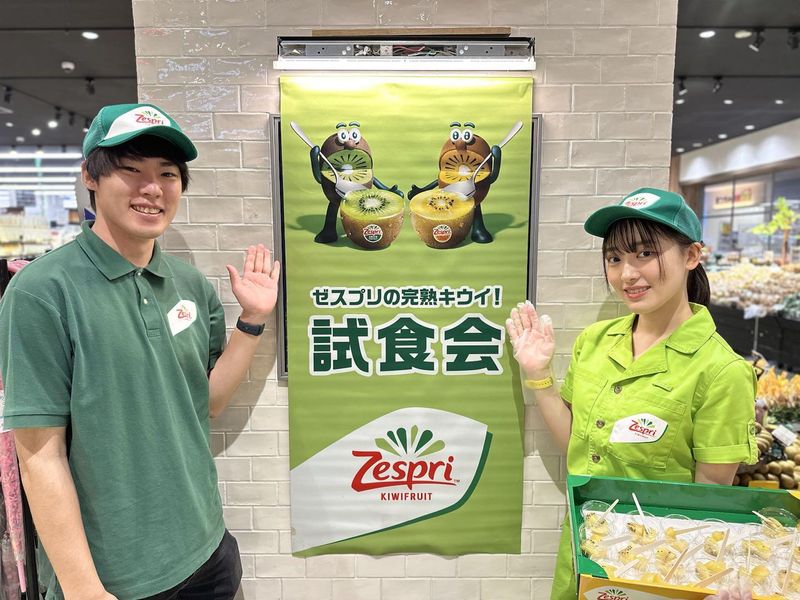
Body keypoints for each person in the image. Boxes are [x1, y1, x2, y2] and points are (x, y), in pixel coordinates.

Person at [0, 103, 280, 599]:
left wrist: (253, 319)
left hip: (208, 549)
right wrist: (84, 589)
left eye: (167, 174)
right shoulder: (42, 292)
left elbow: (207, 402)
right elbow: (39, 454)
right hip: (115, 578)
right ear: (90, 176)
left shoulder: (190, 285)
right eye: (131, 169)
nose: (152, 188)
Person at [506, 188, 758, 600]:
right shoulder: (595, 341)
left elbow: (709, 508)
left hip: (656, 576)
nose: (627, 274)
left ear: (692, 256)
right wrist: (538, 375)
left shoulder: (722, 372)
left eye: (645, 254)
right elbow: (577, 448)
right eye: (614, 258)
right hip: (582, 557)